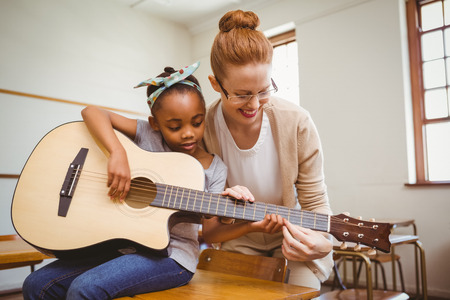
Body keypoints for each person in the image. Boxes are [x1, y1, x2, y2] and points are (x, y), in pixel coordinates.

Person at [22, 62, 228, 299]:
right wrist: (116, 152)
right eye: (174, 126)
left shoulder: (215, 169)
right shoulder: (147, 135)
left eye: (197, 122)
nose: (188, 132)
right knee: (36, 284)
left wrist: (255, 224)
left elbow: (211, 234)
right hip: (122, 246)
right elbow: (92, 112)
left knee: (86, 288)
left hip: (173, 258)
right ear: (156, 124)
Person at [201, 10, 334, 289]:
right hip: (237, 236)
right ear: (216, 84)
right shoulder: (204, 128)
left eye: (263, 90)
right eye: (241, 94)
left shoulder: (297, 122)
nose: (253, 105)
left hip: (291, 235)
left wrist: (322, 243)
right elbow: (207, 213)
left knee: (300, 291)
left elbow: (315, 202)